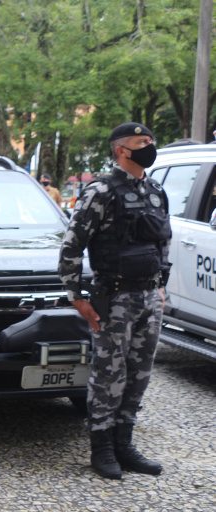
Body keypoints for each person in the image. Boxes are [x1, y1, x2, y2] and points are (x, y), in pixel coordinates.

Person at [59, 122, 171, 480]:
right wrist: (77, 297)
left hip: (149, 297)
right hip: (115, 296)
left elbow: (163, 241)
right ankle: (102, 449)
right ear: (122, 150)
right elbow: (71, 246)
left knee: (140, 374)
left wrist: (162, 285)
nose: (149, 146)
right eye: (142, 142)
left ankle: (124, 444)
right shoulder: (101, 191)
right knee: (108, 375)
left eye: (150, 141)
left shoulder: (156, 191)